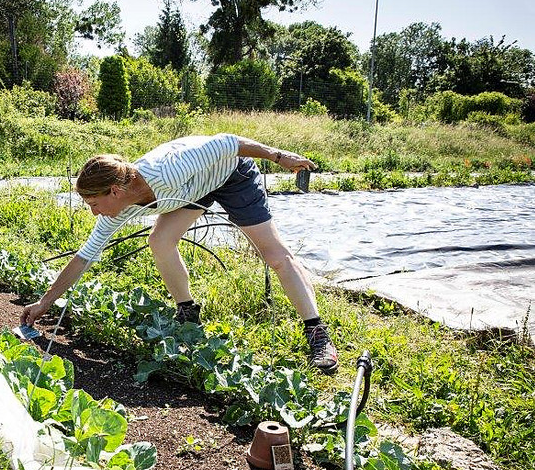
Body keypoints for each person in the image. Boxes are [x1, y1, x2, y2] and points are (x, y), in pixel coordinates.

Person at [20, 133, 338, 374]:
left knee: (274, 255)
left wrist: (278, 156)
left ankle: (317, 333)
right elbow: (83, 257)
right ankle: (188, 314)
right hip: (192, 189)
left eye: (94, 205)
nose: (93, 213)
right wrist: (44, 303)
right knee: (159, 241)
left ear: (114, 191)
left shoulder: (166, 173)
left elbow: (227, 142)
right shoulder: (115, 210)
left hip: (229, 174)